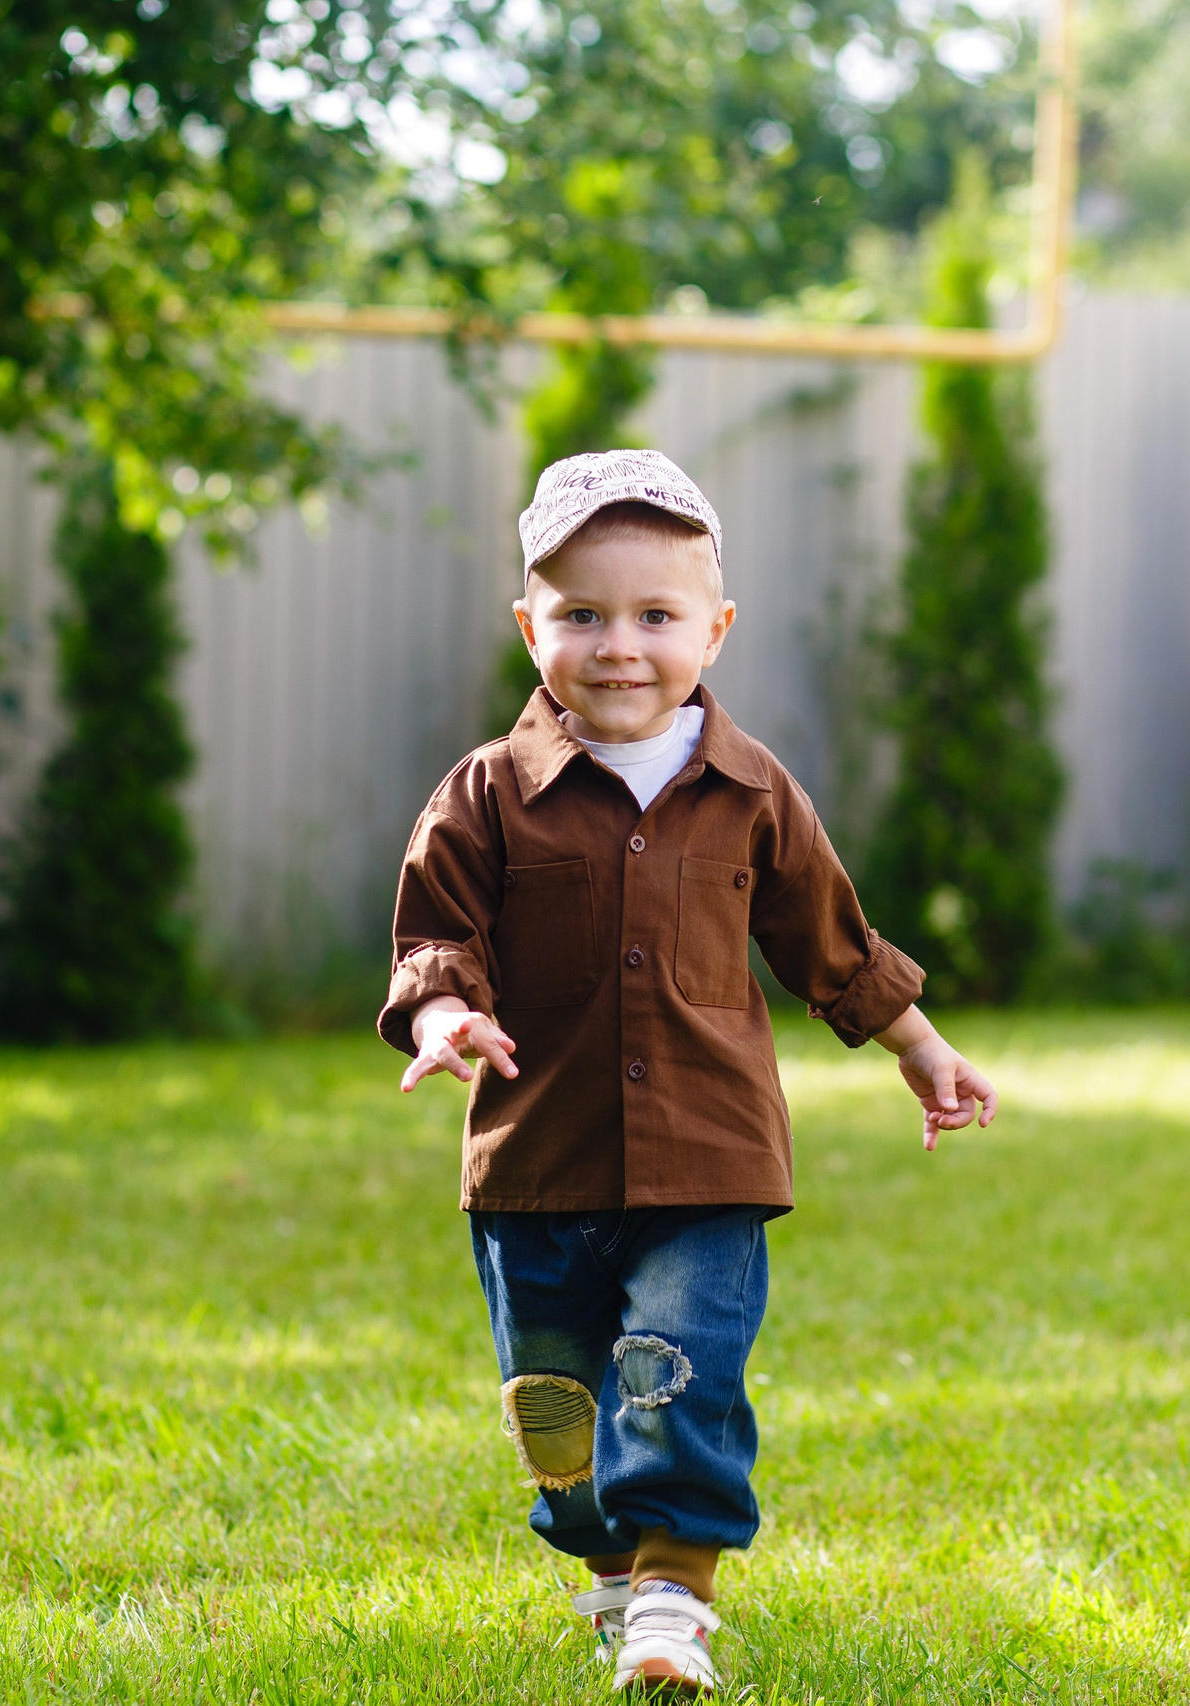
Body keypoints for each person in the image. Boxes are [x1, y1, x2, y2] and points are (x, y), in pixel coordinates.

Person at [378, 448, 995, 1694]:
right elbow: (433, 935)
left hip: (709, 1155)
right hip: (536, 1158)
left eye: (656, 616)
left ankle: (673, 1593)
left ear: (712, 630)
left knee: (675, 1367)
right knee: (556, 1400)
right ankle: (607, 1569)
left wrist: (919, 1047)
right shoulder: (488, 795)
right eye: (583, 615)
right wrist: (445, 1013)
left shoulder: (754, 792)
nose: (619, 646)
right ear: (528, 625)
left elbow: (830, 940)